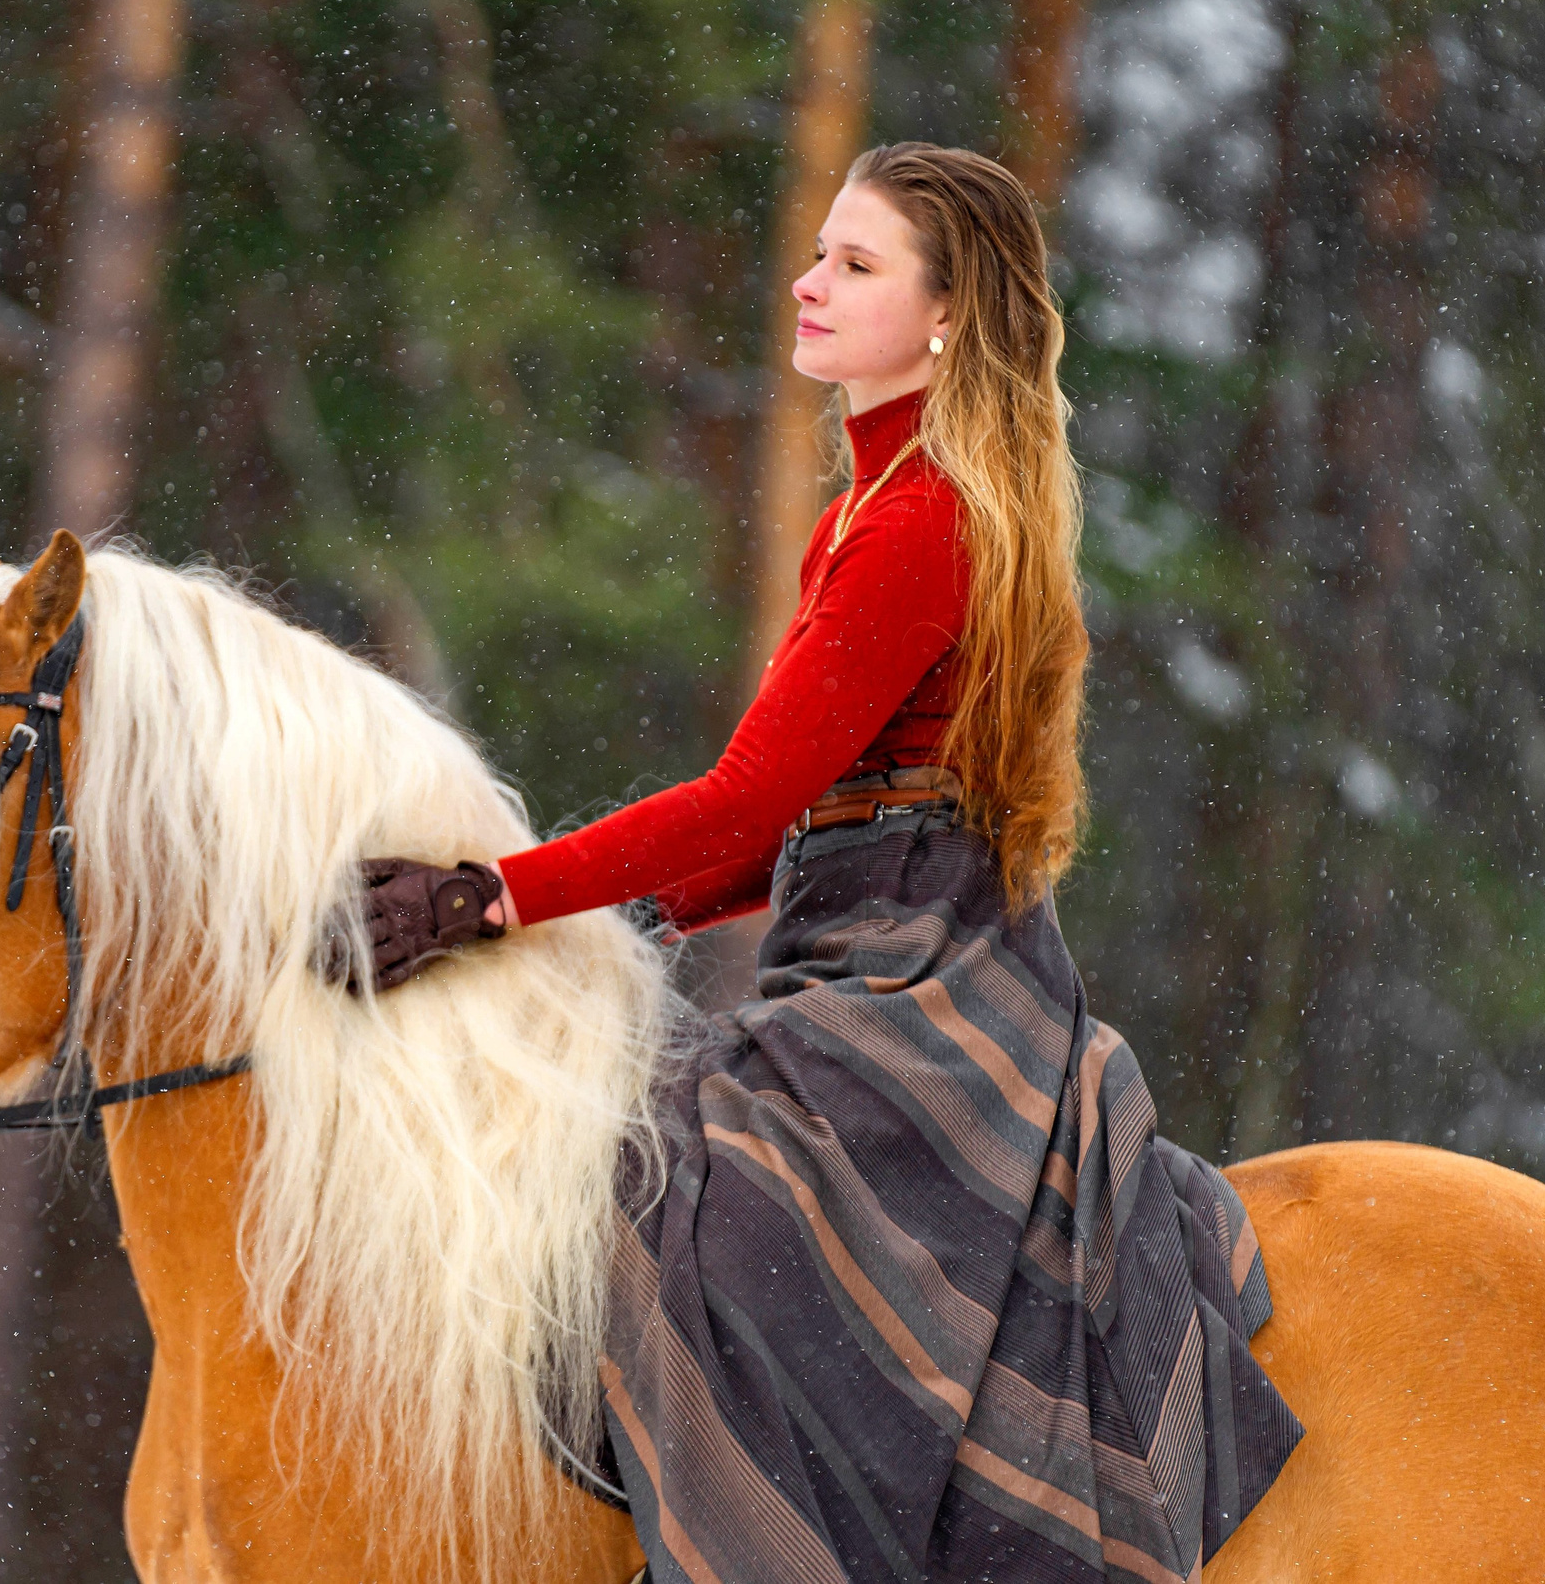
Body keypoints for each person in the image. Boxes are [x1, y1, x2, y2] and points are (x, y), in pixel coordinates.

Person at [347, 143, 1300, 1583]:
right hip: (860, 949)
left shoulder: (920, 523)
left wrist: (492, 896)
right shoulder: (871, 504)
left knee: (670, 1215)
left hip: (923, 981)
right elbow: (807, 828)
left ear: (947, 316)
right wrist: (598, 917)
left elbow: (752, 797)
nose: (809, 283)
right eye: (817, 254)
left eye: (856, 265)